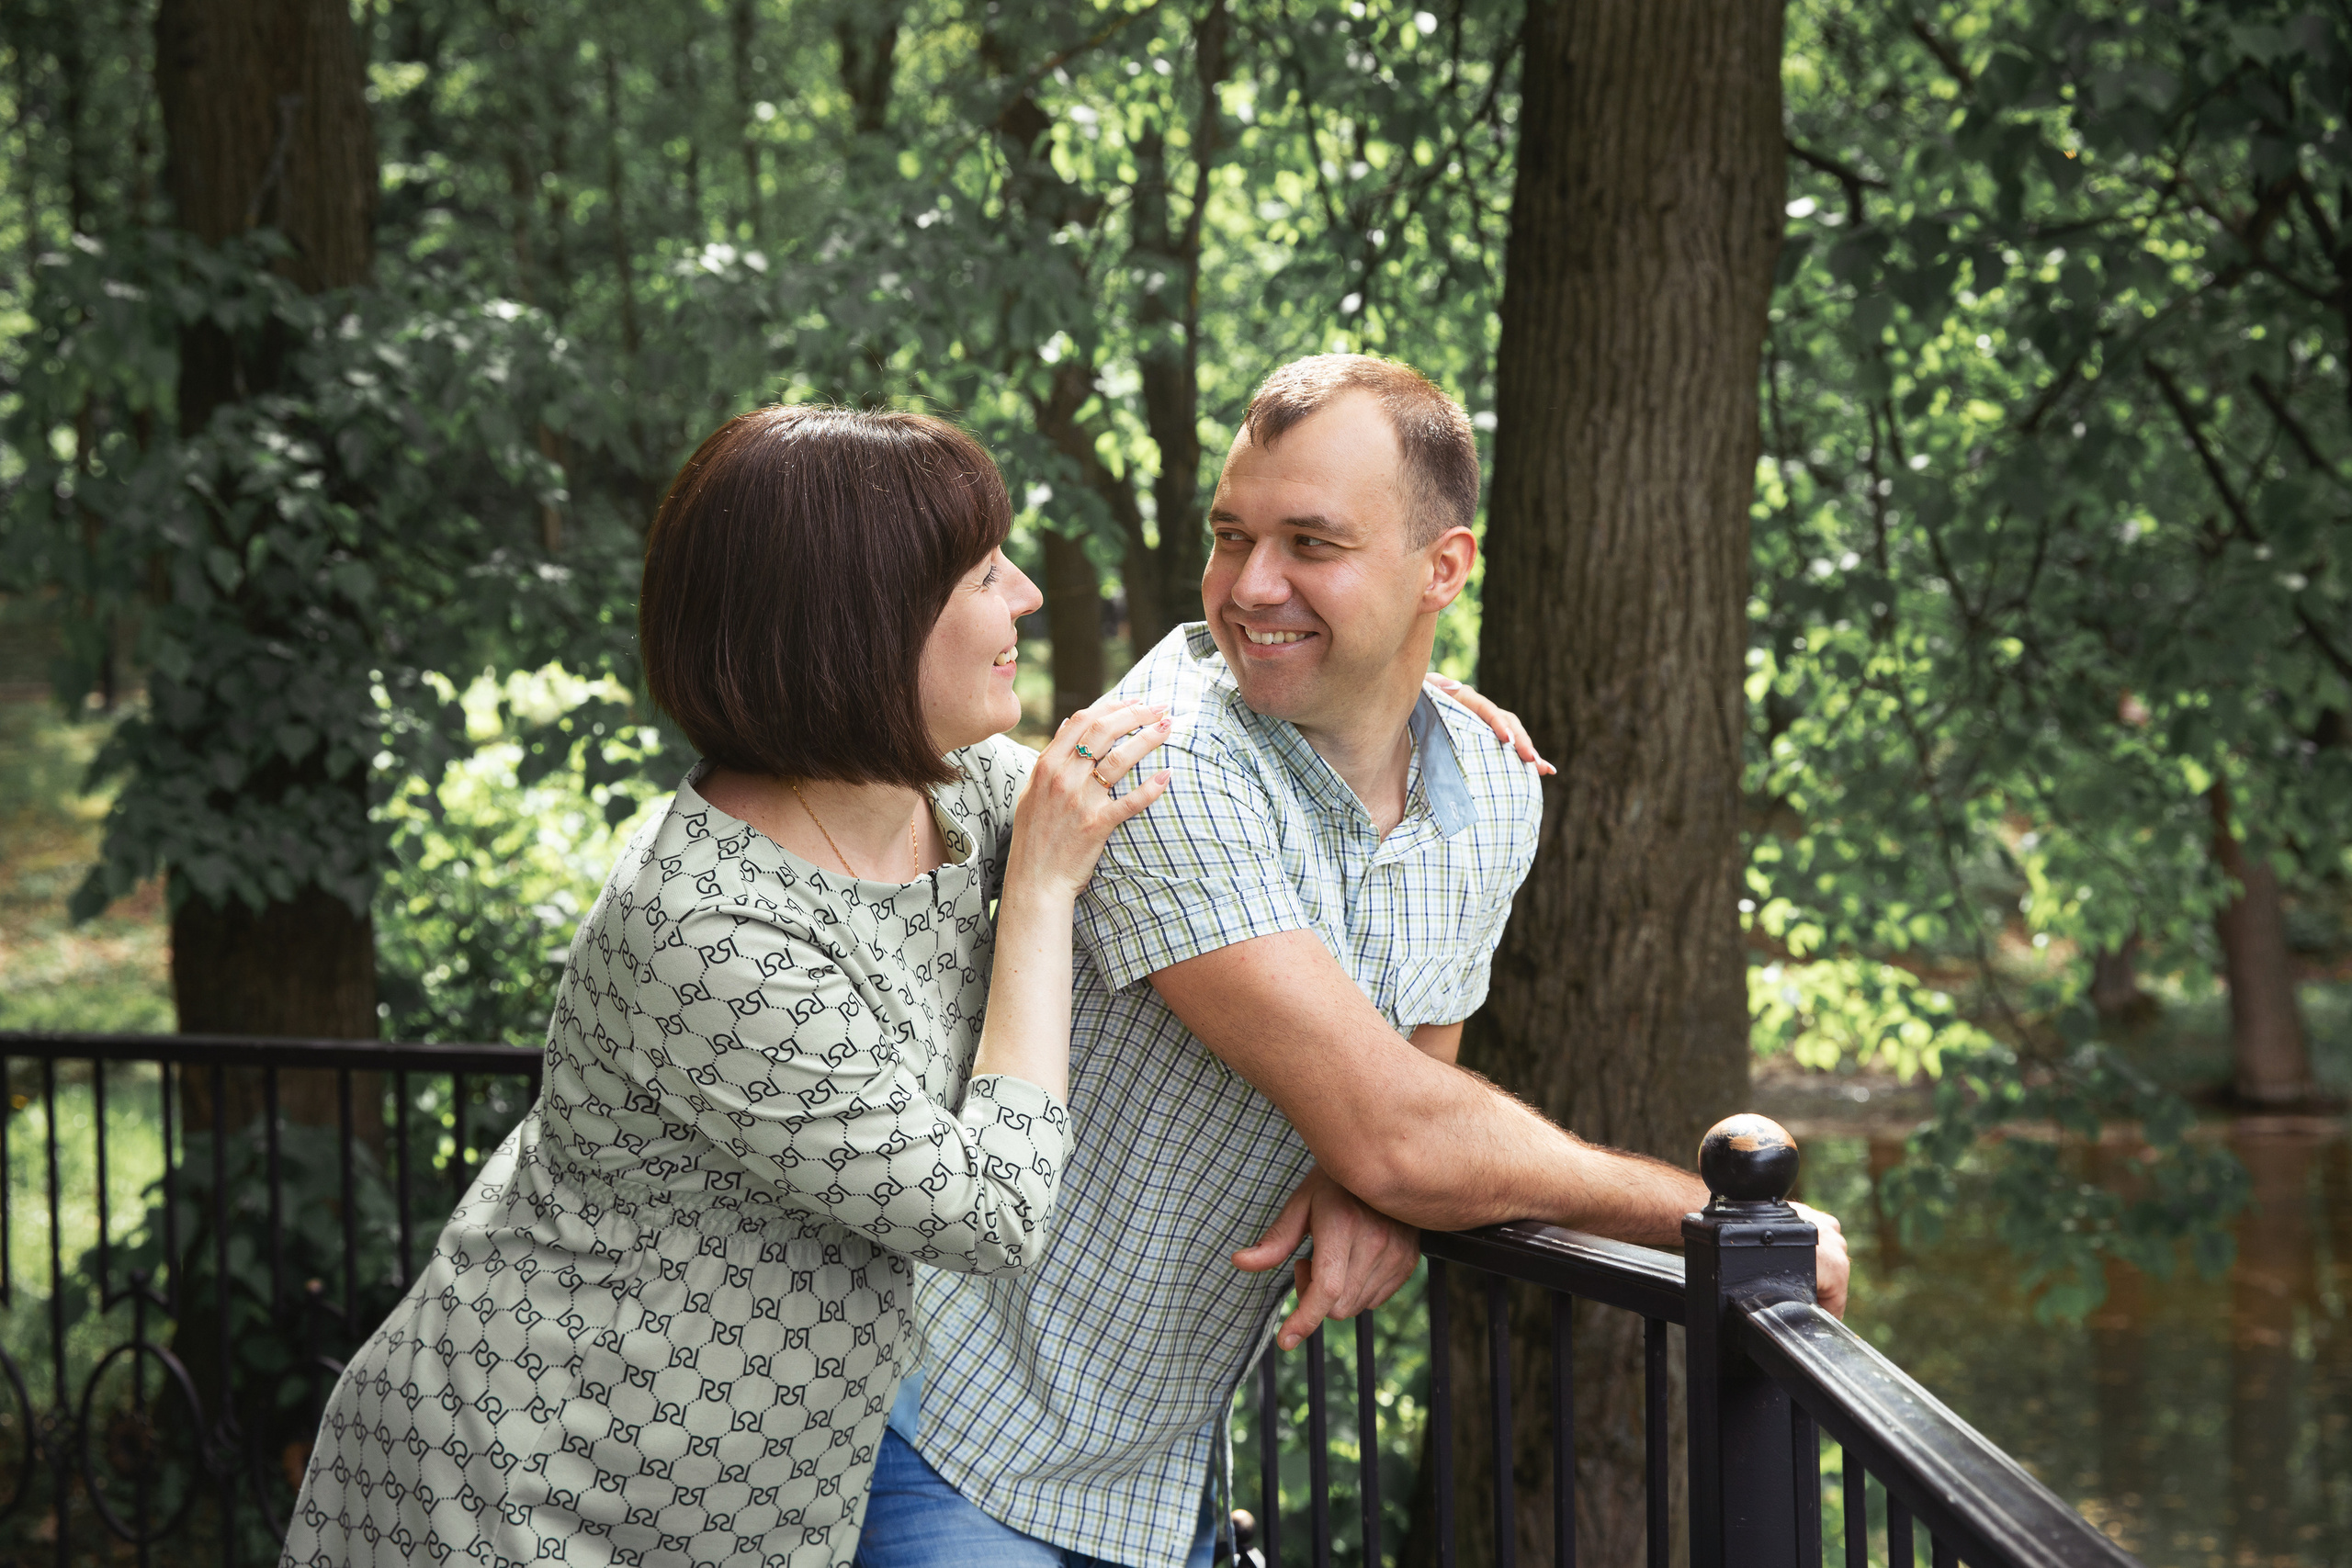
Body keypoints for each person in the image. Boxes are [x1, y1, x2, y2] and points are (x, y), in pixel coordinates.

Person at [857, 355, 1853, 1568]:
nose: (1251, 584)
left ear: (1443, 568)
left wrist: (1371, 1172)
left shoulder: (1490, 784)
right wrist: (1717, 1221)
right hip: (944, 1433)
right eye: (1233, 535)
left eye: (1310, 543)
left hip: (1155, 1484)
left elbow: (1408, 1078)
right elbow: (1399, 1126)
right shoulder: (1162, 768)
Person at [279, 404, 1177, 1567]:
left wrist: (1384, 709)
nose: (1027, 598)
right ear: (854, 624)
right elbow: (986, 1211)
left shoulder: (944, 791)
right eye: (979, 575)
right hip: (518, 1497)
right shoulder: (705, 926)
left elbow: (1143, 776)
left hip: (730, 1507)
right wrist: (1042, 899)